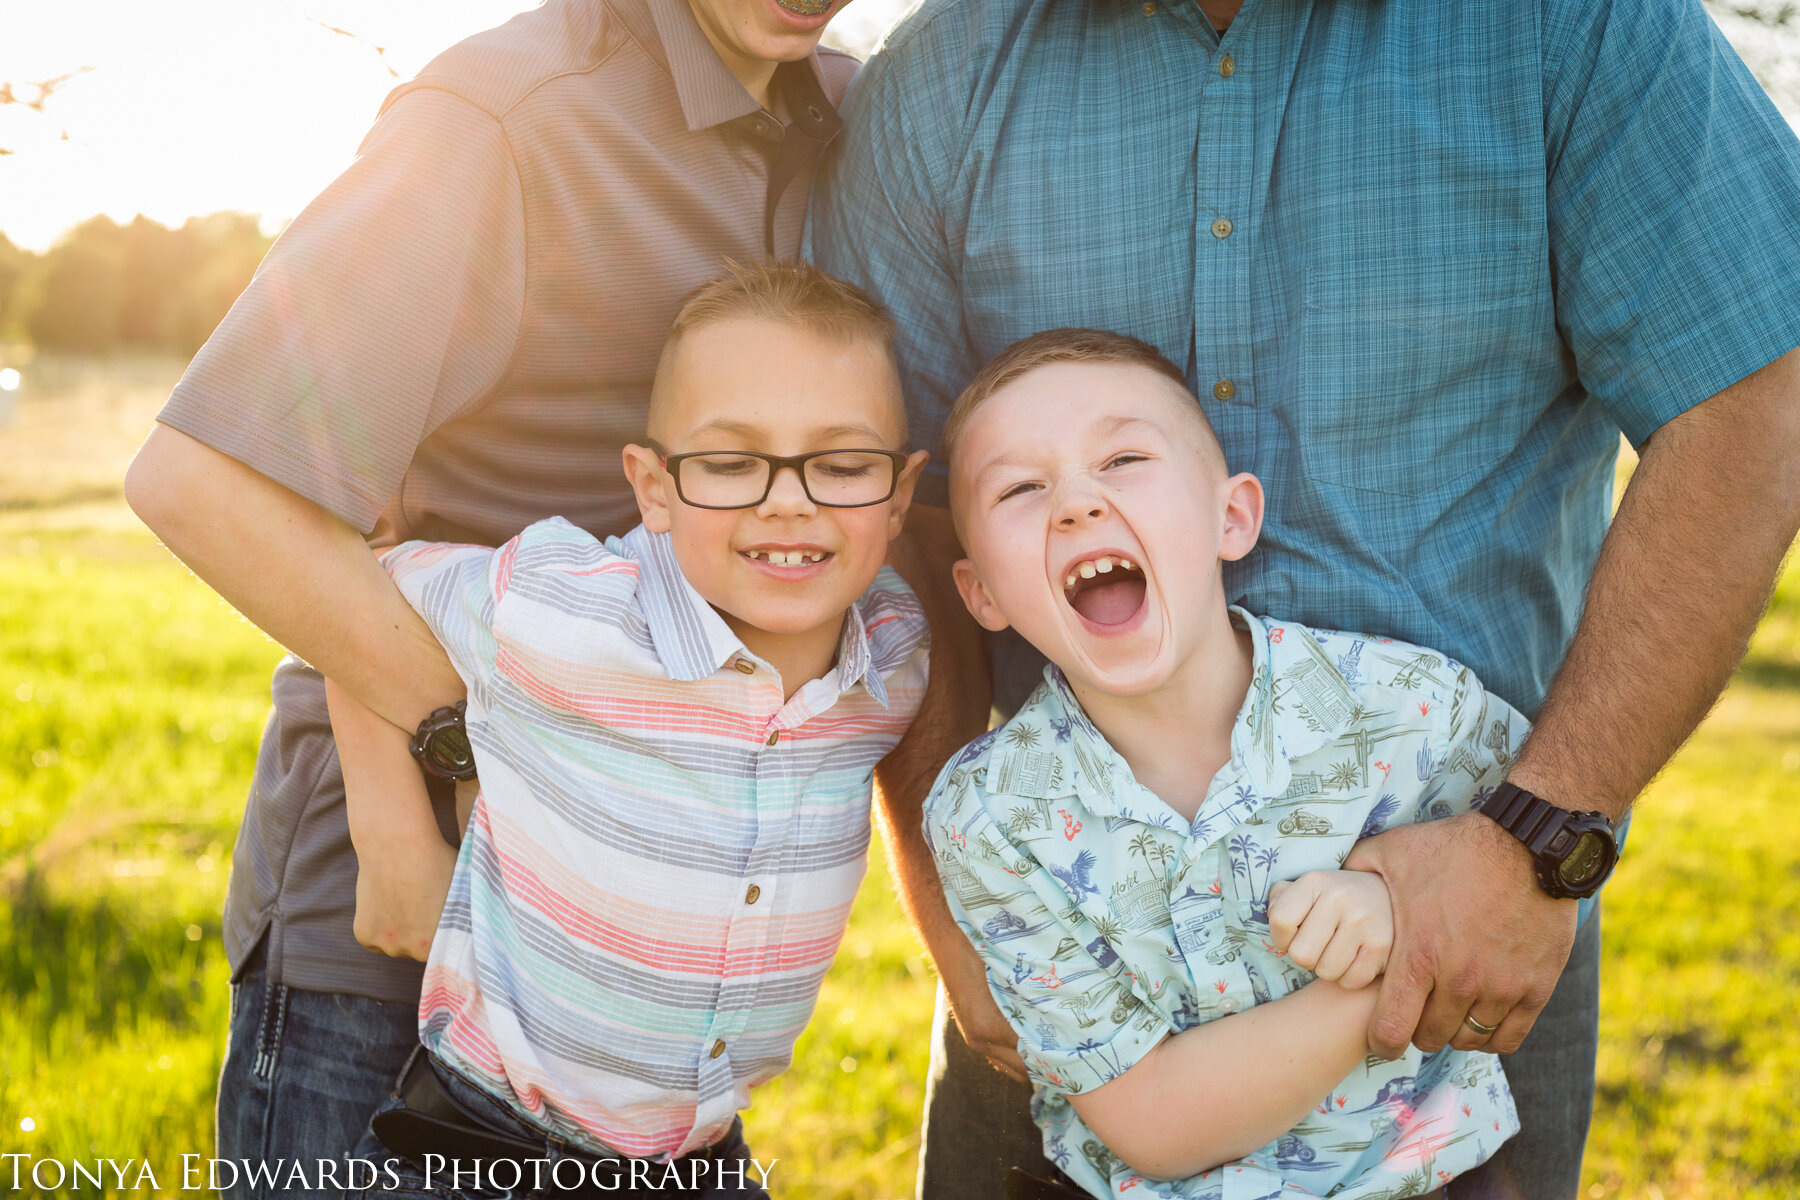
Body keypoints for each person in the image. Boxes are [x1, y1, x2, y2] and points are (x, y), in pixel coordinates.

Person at [809, 0, 1800, 1196]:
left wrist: (1544, 839)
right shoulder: (945, 75)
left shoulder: (1570, 25)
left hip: (1476, 949)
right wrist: (945, 887)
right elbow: (901, 510)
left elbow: (1750, 396)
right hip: (1074, 971)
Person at [123, 0, 987, 1192]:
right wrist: (452, 757)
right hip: (412, 919)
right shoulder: (500, 121)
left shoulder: (854, 118)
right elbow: (209, 483)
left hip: (650, 1028)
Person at [321, 262, 928, 1196]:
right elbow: (352, 586)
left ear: (899, 494)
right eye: (730, 463)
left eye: (843, 465)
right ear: (651, 486)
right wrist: (390, 826)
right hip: (489, 1145)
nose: (788, 500)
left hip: (704, 1160)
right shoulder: (565, 609)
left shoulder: (895, 657)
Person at [924, 328, 1556, 1199]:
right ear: (981, 593)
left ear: (1233, 517)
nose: (1075, 504)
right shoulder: (988, 817)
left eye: (1123, 458)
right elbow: (1151, 1122)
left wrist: (1438, 894)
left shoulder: (1410, 709)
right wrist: (1398, 946)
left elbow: (1555, 857)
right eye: (1023, 487)